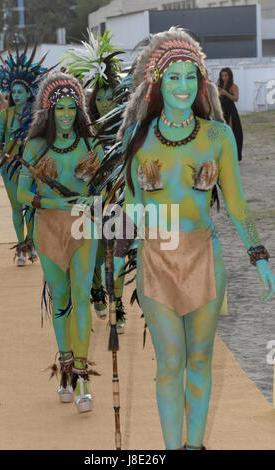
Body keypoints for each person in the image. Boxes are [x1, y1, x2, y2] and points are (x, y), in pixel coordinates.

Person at [115, 27, 275, 450]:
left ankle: (194, 446)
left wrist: (260, 257)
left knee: (200, 360)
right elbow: (130, 206)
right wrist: (115, 261)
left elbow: (238, 205)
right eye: (174, 76)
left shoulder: (218, 137)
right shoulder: (138, 138)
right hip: (155, 259)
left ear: (202, 82)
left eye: (191, 76)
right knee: (170, 362)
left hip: (205, 259)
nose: (183, 86)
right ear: (157, 83)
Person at [17, 72, 103, 413]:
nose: (66, 114)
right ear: (48, 111)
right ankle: (65, 369)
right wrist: (56, 203)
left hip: (84, 226)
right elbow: (24, 193)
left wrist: (95, 200)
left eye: (72, 107)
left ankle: (82, 377)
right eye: (60, 108)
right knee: (63, 299)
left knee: (82, 297)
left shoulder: (90, 144)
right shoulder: (36, 146)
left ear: (80, 108)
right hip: (49, 227)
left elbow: (102, 190)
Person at [64, 30, 127, 331]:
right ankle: (97, 291)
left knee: (118, 254)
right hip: (93, 203)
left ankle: (118, 307)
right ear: (92, 101)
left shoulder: (128, 128)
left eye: (109, 96)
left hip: (122, 202)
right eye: (99, 98)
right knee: (97, 257)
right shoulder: (86, 133)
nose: (104, 102)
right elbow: (79, 171)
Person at [0, 44, 48, 265]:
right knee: (16, 207)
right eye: (14, 91)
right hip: (9, 166)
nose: (16, 95)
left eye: (20, 91)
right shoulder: (5, 114)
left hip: (31, 166)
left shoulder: (36, 114)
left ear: (29, 92)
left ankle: (31, 242)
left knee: (31, 205)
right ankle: (20, 248)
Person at [217, 67, 243, 161]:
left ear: (230, 76)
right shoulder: (218, 85)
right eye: (222, 75)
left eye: (226, 75)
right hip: (221, 111)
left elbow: (236, 99)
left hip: (230, 111)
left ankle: (234, 155)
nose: (224, 77)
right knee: (221, 134)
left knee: (232, 133)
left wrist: (226, 93)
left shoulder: (233, 86)